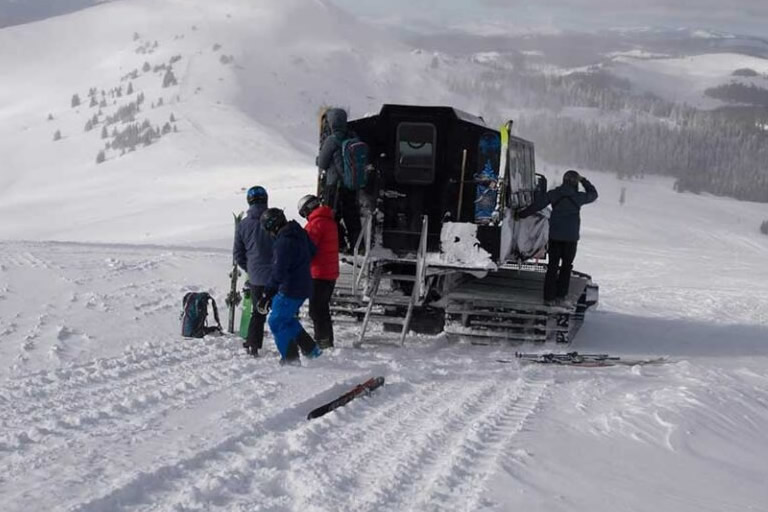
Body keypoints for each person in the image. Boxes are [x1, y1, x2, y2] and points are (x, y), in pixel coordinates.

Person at [517, 170, 598, 306]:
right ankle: (561, 296)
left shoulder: (554, 194)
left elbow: (537, 205)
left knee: (552, 266)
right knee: (566, 267)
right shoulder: (579, 197)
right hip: (571, 239)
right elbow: (594, 194)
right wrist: (584, 180)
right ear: (576, 182)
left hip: (555, 237)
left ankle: (548, 298)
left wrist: (521, 214)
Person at [258, 208, 323, 365]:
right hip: (304, 284)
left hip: (290, 288)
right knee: (286, 319)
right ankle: (312, 351)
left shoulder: (283, 242)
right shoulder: (299, 232)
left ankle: (291, 359)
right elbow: (313, 251)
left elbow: (278, 272)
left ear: (273, 226)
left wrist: (267, 294)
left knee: (276, 321)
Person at [232, 186, 272, 357]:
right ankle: (291, 347)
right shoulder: (275, 219)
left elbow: (238, 253)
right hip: (278, 275)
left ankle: (253, 345)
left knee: (258, 312)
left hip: (256, 277)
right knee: (283, 313)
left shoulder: (243, 225)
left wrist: (250, 268)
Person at [316, 108, 362, 251]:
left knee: (331, 217)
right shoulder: (353, 137)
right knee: (352, 217)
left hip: (334, 185)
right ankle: (358, 247)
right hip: (351, 184)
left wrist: (318, 159)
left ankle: (338, 244)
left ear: (332, 123)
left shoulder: (332, 140)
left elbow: (323, 163)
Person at [298, 194, 339, 349]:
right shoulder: (328, 220)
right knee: (322, 308)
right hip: (329, 272)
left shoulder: (316, 224)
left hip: (319, 273)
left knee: (316, 310)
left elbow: (307, 248)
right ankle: (326, 340)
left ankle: (323, 341)